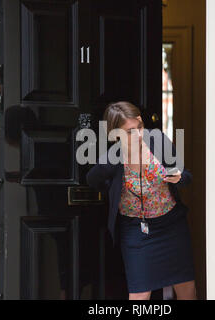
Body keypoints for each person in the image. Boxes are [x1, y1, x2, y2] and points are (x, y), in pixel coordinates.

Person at [86, 101, 197, 300]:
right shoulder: (113, 158)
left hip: (171, 225)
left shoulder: (158, 142)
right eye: (130, 131)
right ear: (115, 134)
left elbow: (185, 175)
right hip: (135, 229)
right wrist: (113, 191)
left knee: (186, 288)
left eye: (140, 127)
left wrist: (179, 178)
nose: (138, 135)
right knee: (139, 294)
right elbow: (92, 179)